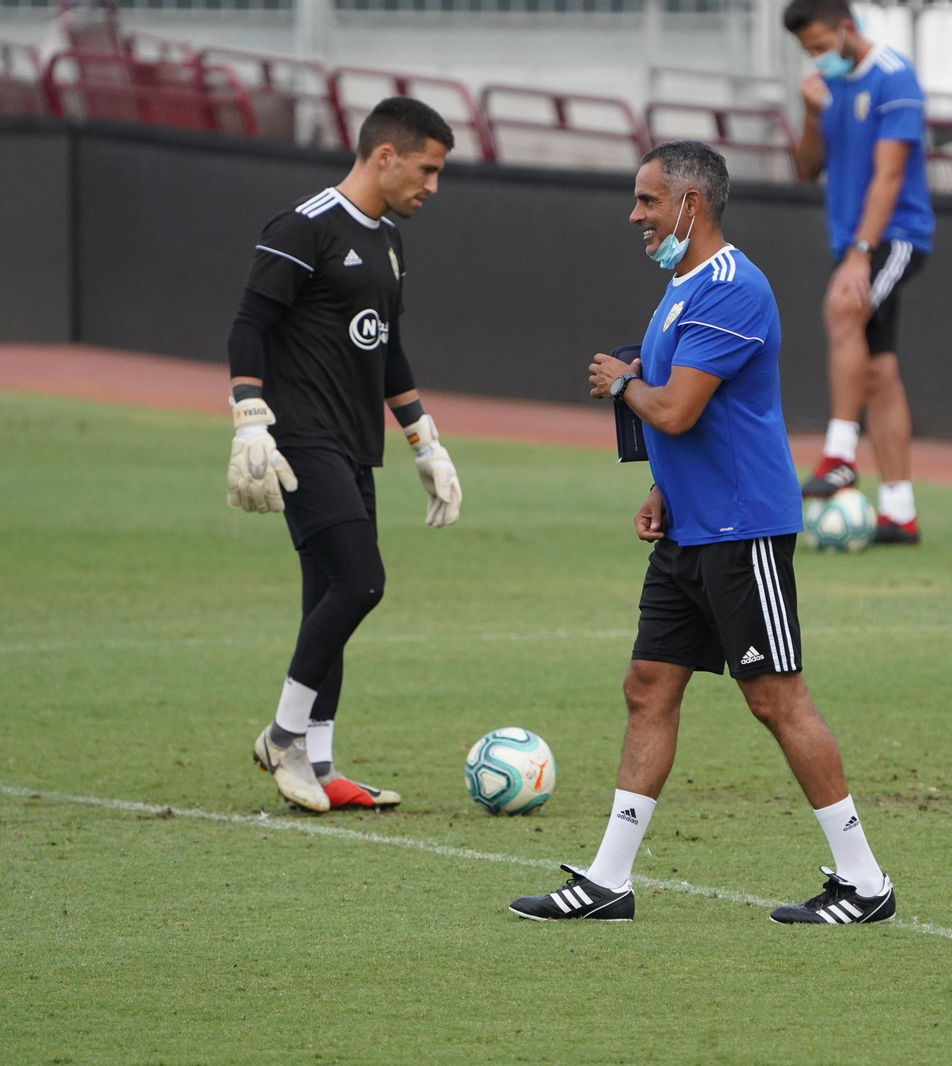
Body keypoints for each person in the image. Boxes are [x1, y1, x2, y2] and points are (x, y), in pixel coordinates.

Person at [508, 140, 894, 925]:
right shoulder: (682, 287)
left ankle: (865, 882)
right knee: (648, 687)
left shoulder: (733, 289)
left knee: (774, 697)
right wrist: (661, 484)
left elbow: (677, 407)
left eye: (648, 200)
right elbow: (690, 423)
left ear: (692, 203)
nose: (636, 215)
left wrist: (622, 384)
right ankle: (609, 880)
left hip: (742, 528)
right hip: (690, 527)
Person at [226, 97, 463, 814]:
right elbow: (249, 326)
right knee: (361, 584)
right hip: (300, 438)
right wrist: (248, 421)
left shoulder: (389, 238)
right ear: (384, 155)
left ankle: (319, 764)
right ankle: (282, 735)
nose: (432, 186)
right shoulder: (303, 228)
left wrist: (426, 441)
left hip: (356, 444)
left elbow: (386, 348)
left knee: (325, 593)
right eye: (426, 169)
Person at [784, 0, 935, 545]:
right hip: (855, 241)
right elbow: (807, 169)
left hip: (892, 237)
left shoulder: (895, 77)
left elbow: (890, 176)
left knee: (842, 306)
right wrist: (811, 114)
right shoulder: (832, 87)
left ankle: (840, 455)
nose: (818, 59)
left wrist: (860, 253)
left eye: (822, 47)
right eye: (808, 52)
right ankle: (899, 513)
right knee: (879, 372)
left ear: (848, 29)